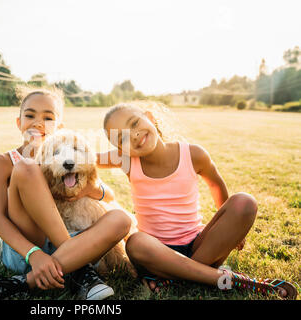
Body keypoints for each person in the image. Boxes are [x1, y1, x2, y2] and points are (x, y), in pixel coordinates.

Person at [97, 102, 297, 299]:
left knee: (245, 202)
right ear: (120, 149)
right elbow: (85, 158)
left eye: (134, 124)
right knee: (135, 242)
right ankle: (230, 279)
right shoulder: (127, 161)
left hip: (200, 247)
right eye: (122, 138)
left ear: (149, 117)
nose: (134, 135)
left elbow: (216, 185)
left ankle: (180, 277)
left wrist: (232, 231)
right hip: (157, 255)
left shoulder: (193, 154)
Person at [0, 86, 131, 300]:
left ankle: (20, 284)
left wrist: (89, 189)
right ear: (19, 122)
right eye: (30, 115)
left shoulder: (68, 158)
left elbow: (107, 195)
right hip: (24, 249)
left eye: (48, 118)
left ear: (60, 127)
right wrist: (33, 255)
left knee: (121, 219)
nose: (38, 122)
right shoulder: (3, 162)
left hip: (62, 248)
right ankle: (79, 270)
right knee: (27, 167)